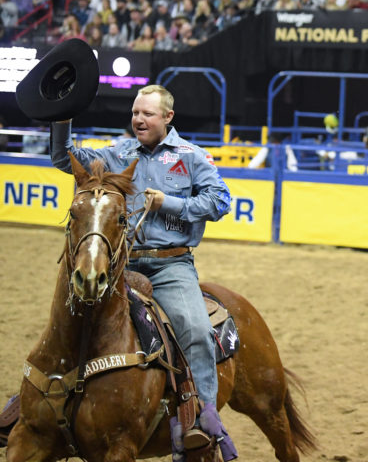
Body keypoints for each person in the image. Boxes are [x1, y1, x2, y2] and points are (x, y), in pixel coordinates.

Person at [49, 84, 237, 461]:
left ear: (168, 117)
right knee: (64, 322)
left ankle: (204, 418)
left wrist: (170, 203)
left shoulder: (192, 156)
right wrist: (63, 116)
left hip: (171, 265)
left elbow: (220, 201)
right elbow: (64, 158)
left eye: (147, 114)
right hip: (122, 264)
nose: (138, 119)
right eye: (135, 112)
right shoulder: (117, 153)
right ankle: (33, 403)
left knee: (196, 330)